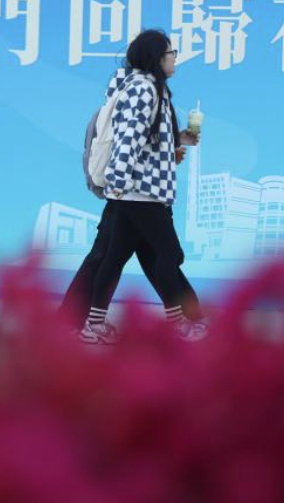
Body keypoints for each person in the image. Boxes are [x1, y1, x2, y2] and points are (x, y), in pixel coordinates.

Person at [77, 29, 208, 344]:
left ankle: (92, 325)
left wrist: (179, 139)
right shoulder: (144, 89)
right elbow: (128, 139)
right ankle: (177, 323)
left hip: (138, 190)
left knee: (115, 256)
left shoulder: (148, 88)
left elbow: (146, 137)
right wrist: (118, 182)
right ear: (156, 57)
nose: (175, 58)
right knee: (169, 254)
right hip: (141, 192)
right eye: (171, 52)